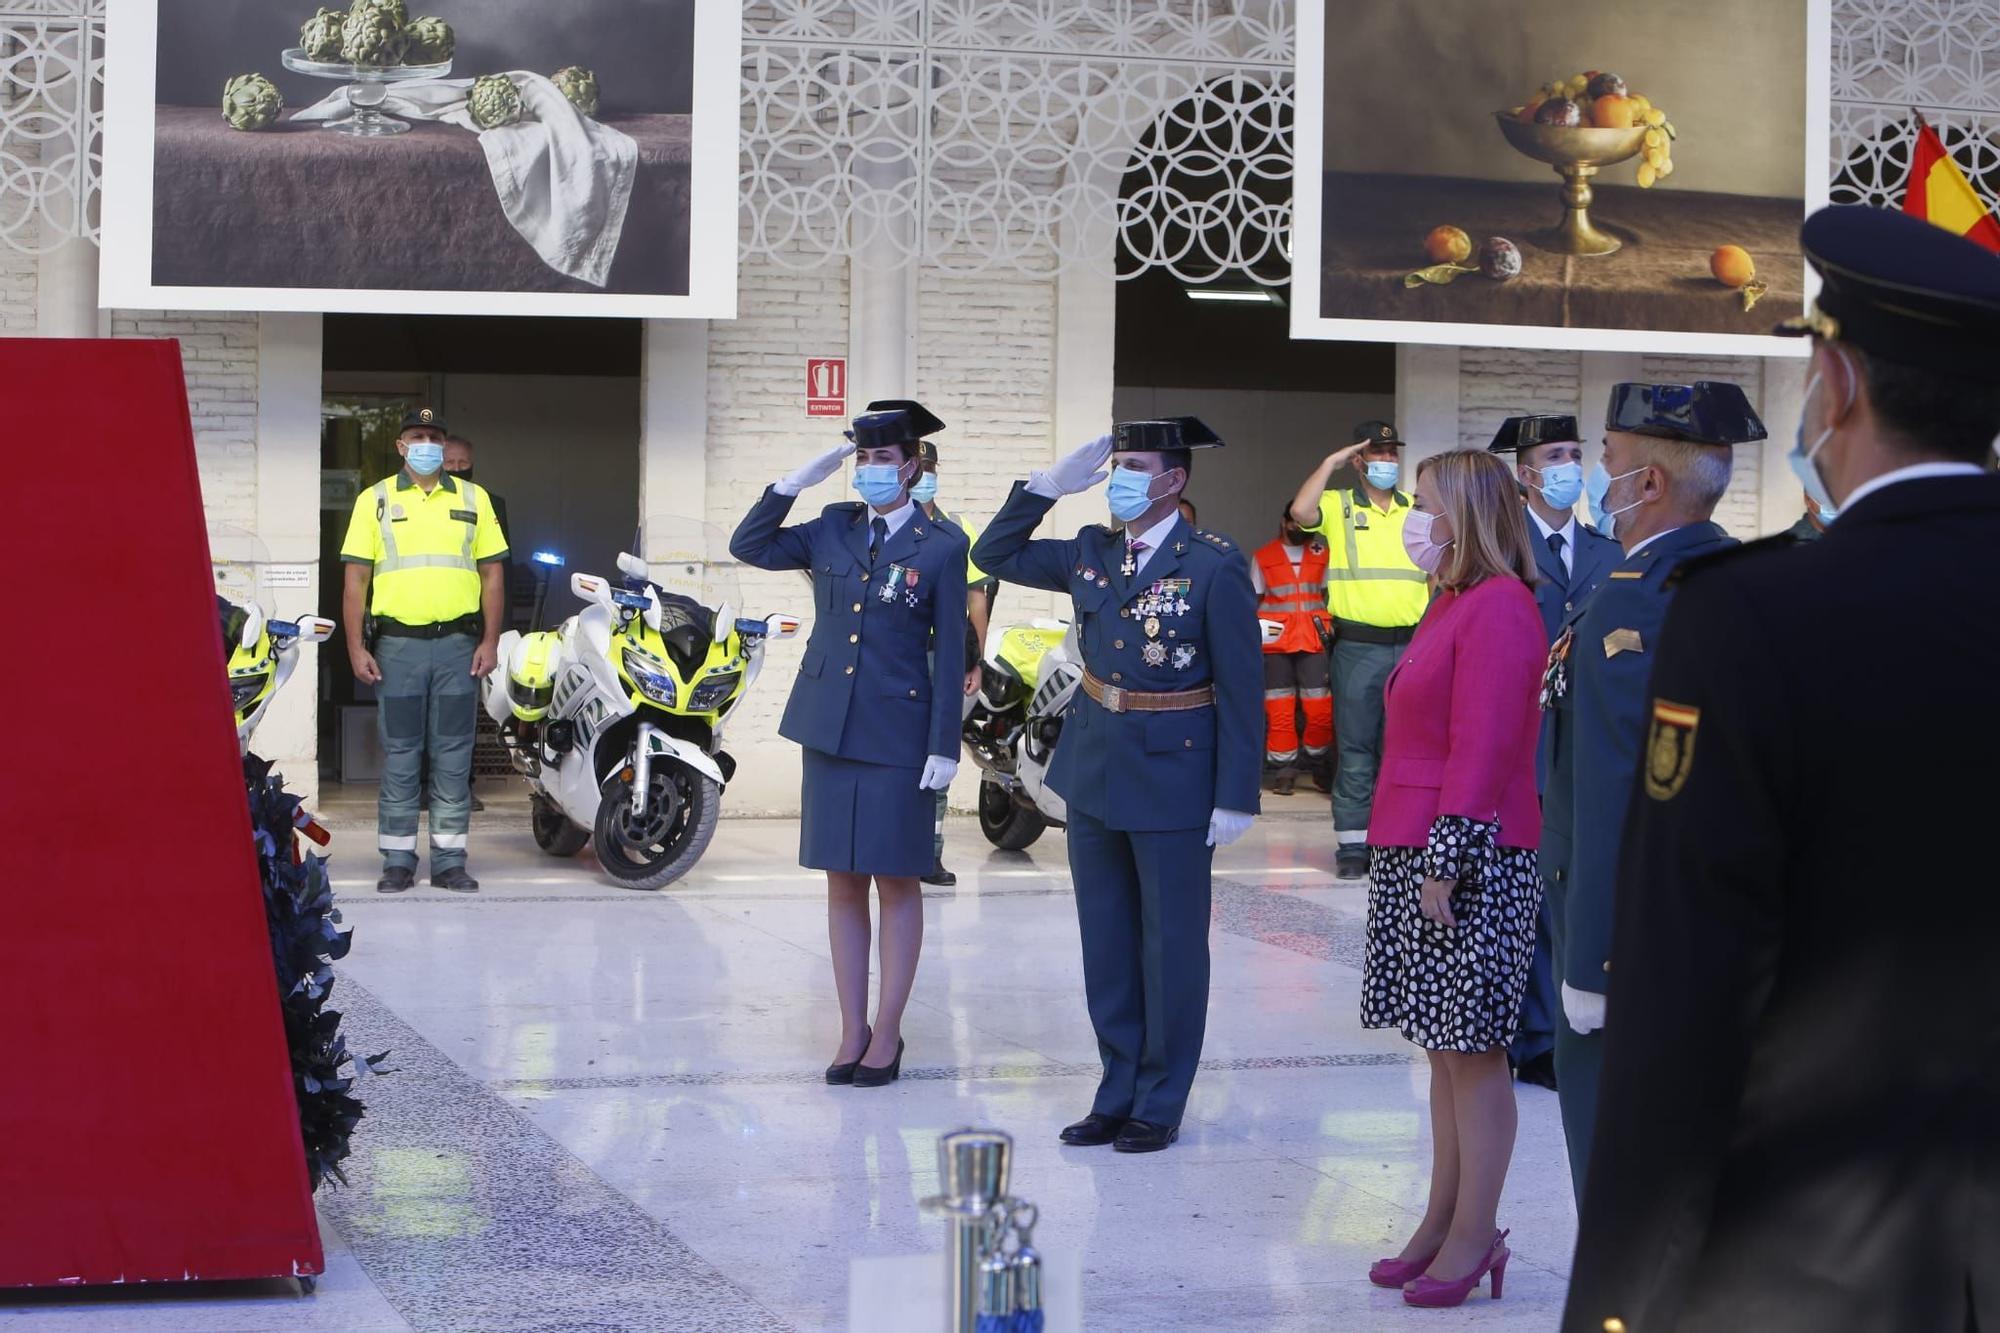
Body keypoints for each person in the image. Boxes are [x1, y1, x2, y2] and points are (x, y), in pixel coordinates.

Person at [1564, 206, 2000, 1333]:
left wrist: (1619, 1303)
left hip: (1820, 1258)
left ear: (1837, 381)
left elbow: (1686, 993)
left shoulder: (1754, 617)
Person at [974, 418, 1261, 1154]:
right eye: (1117, 465)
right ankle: (1116, 1088)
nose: (1121, 478)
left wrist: (1235, 792)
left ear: (1174, 479)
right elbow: (992, 552)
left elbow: (1241, 687)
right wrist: (1046, 487)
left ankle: (1161, 1098)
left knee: (1170, 945)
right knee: (1106, 941)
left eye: (1135, 465)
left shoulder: (1214, 564)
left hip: (1175, 773)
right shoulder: (1090, 552)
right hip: (1096, 766)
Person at [1541, 380, 1765, 1204]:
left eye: (1607, 459)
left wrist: (1595, 959)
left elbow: (1619, 786)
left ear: (1651, 484)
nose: (1598, 474)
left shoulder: (1635, 600)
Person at [729, 402, 968, 1089]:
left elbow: (949, 653)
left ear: (912, 467)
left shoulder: (943, 545)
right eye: (861, 460)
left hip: (899, 733)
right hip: (829, 727)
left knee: (896, 880)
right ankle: (849, 1028)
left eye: (883, 460)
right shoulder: (832, 527)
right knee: (841, 882)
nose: (869, 471)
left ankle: (887, 1031)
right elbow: (751, 544)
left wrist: (944, 743)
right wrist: (791, 482)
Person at [1360, 448, 1546, 1309]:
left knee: (1475, 1053)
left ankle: (1476, 1234)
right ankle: (1441, 1219)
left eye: (1426, 504)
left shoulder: (1502, 607)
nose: (1414, 519)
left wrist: (1450, 854)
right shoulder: (1451, 602)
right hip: (1419, 843)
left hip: (1468, 853)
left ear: (1467, 515)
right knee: (1443, 1051)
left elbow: (1487, 743)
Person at [1485, 414, 1620, 1093]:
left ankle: (1571, 1024)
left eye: (1575, 452)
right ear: (1526, 474)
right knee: (1529, 903)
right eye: (1554, 456)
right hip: (1521, 753)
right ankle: (1535, 1037)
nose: (1569, 465)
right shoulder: (1504, 554)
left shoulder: (1607, 550)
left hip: (1587, 750)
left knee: (1575, 894)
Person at [340, 408, 509, 894]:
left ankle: (450, 860)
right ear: (401, 446)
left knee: (455, 754)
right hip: (398, 649)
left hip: (458, 647)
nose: (427, 443)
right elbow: (355, 579)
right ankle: (397, 861)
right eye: (417, 436)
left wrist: (490, 640)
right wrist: (355, 647)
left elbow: (492, 574)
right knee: (400, 755)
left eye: (434, 436)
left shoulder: (475, 500)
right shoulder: (373, 501)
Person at [1288, 420, 1428, 879]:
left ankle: (1397, 839)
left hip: (1412, 647)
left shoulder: (1417, 510)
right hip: (1358, 647)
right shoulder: (1340, 505)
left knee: (1405, 749)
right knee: (1356, 749)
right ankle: (1353, 845)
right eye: (1378, 453)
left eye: (1392, 454)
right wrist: (1329, 463)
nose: (1387, 461)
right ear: (1359, 461)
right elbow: (1301, 510)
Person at [908, 425, 998, 887]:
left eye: (930, 469)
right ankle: (893, 851)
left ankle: (931, 854)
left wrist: (975, 662)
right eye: (918, 468)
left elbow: (976, 601)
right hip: (895, 658)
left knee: (939, 753)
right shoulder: (884, 525)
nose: (924, 476)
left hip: (939, 658)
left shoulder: (957, 529)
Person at [1251, 504, 1334, 795]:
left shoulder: (1322, 553)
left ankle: (1318, 761)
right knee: (1279, 707)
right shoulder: (1263, 557)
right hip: (1275, 640)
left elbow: (1326, 594)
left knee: (1320, 707)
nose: (1300, 528)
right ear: (1284, 521)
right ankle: (1284, 771)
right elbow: (1255, 598)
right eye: (1295, 522)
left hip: (1313, 638)